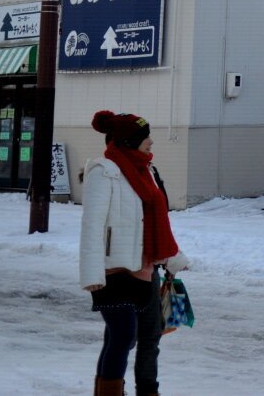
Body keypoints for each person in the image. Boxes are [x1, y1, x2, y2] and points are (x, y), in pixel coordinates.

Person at [79, 110, 189, 396]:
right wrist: (91, 274)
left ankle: (143, 390)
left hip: (143, 269)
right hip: (112, 270)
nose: (151, 142)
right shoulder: (104, 172)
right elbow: (92, 226)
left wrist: (170, 257)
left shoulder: (147, 171)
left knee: (140, 337)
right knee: (123, 336)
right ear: (129, 141)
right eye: (144, 137)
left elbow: (154, 220)